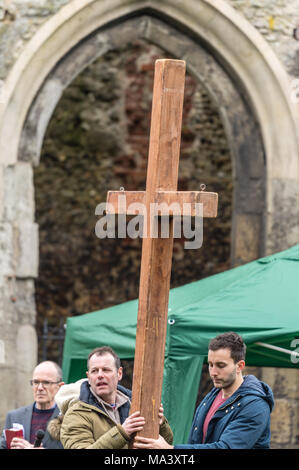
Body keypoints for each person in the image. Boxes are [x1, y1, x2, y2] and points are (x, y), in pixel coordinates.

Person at [133, 332, 275, 449]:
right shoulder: (213, 395)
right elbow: (196, 442)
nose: (213, 372)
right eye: (211, 364)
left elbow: (226, 447)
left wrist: (171, 450)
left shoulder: (255, 405)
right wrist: (161, 425)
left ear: (239, 366)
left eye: (220, 365)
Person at [50, 346, 173, 449]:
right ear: (88, 376)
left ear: (119, 373)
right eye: (94, 371)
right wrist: (121, 433)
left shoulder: (134, 404)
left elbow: (167, 443)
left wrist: (159, 424)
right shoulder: (76, 413)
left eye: (106, 370)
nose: (100, 375)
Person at [0, 361, 64, 449]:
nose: (40, 388)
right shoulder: (14, 417)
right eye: (36, 382)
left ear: (59, 386)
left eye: (46, 382)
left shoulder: (68, 418)